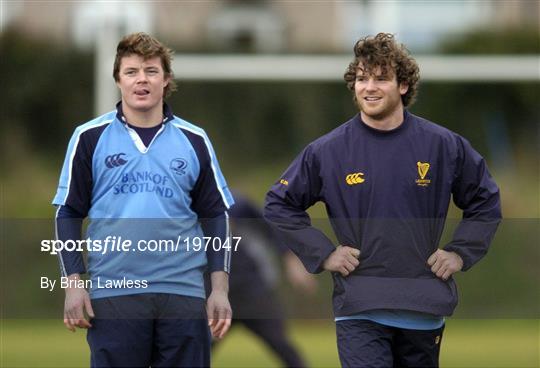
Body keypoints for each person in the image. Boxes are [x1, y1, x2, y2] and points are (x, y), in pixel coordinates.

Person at [264, 33, 501, 367]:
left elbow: (485, 200)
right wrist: (324, 253)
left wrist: (459, 253)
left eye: (380, 78)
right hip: (360, 307)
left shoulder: (444, 146)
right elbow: (278, 203)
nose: (369, 87)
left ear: (403, 85)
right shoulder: (328, 151)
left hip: (423, 307)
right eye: (362, 78)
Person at [52, 32, 234, 367]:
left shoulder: (194, 139)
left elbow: (215, 216)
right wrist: (73, 285)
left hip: (183, 291)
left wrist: (219, 289)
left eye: (151, 71)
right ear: (118, 80)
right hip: (114, 291)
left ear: (166, 80)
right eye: (131, 71)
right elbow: (68, 213)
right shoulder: (89, 137)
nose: (142, 80)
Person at [211, 191, 314, 367]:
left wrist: (291, 261)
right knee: (193, 349)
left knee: (282, 346)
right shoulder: (180, 209)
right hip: (214, 296)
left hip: (252, 292)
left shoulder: (237, 203)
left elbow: (272, 228)